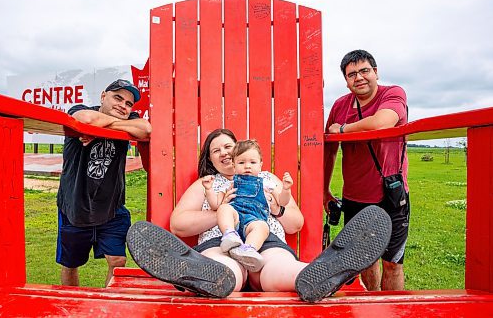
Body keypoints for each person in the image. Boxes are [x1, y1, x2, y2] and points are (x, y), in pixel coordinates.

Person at [127, 128, 393, 302]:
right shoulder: (208, 183)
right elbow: (179, 225)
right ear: (210, 159)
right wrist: (220, 210)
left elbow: (296, 223)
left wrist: (275, 208)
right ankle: (199, 275)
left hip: (265, 245)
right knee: (226, 273)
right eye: (216, 150)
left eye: (229, 147)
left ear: (242, 150)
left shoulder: (267, 179)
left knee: (278, 269)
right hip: (221, 243)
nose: (225, 153)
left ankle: (320, 273)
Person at [324, 49, 410, 291]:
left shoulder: (392, 93)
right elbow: (328, 150)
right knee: (365, 262)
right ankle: (372, 305)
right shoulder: (340, 105)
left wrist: (342, 130)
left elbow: (383, 121)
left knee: (392, 263)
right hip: (355, 197)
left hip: (391, 195)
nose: (359, 77)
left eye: (364, 71)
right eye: (352, 74)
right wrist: (324, 190)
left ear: (375, 72)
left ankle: (392, 311)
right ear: (346, 80)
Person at [56, 79, 152, 286]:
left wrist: (105, 126)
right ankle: (71, 307)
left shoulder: (132, 119)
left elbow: (146, 129)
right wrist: (109, 127)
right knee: (70, 263)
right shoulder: (80, 109)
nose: (123, 106)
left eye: (128, 104)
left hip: (112, 206)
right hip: (75, 205)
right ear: (103, 96)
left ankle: (107, 305)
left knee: (118, 260)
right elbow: (87, 119)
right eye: (118, 98)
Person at [202, 139, 293, 272]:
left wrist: (286, 189)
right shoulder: (231, 184)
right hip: (235, 220)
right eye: (241, 162)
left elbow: (282, 202)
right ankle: (229, 235)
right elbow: (215, 204)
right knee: (224, 208)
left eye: (252, 162)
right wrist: (209, 190)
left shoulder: (266, 183)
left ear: (261, 165)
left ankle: (248, 250)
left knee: (262, 227)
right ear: (234, 165)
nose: (247, 166)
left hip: (254, 220)